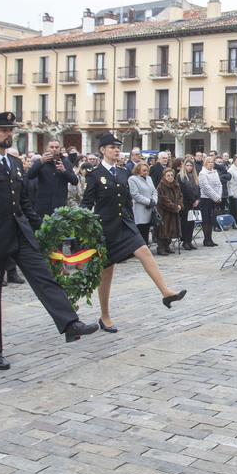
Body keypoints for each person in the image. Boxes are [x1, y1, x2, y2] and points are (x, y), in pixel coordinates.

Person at [0, 112, 98, 371]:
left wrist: (41, 227)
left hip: (19, 233)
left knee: (44, 276)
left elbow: (22, 204)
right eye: (2, 130)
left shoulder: (13, 163)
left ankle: (69, 323)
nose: (8, 134)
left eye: (10, 130)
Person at [84, 134, 185, 333]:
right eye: (112, 147)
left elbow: (127, 200)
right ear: (102, 150)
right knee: (106, 272)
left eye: (117, 147)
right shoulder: (94, 174)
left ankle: (165, 292)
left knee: (144, 251)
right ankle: (105, 316)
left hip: (125, 223)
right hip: (106, 227)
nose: (116, 150)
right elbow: (87, 203)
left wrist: (132, 220)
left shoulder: (123, 173)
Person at [128, 162, 159, 245]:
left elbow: (154, 191)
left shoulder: (149, 178)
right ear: (138, 170)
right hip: (140, 208)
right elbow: (135, 194)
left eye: (147, 170)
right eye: (143, 170)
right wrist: (148, 202)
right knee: (140, 229)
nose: (145, 172)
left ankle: (146, 246)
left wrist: (154, 201)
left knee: (147, 229)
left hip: (150, 208)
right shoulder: (132, 179)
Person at [154, 168, 182, 255]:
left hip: (173, 211)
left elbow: (180, 195)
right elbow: (163, 200)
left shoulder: (176, 185)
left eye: (171, 175)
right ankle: (161, 247)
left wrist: (179, 204)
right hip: (164, 212)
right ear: (164, 176)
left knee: (171, 230)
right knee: (163, 230)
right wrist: (174, 206)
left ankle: (167, 246)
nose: (170, 177)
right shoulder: (161, 186)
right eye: (168, 176)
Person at [198, 155, 223, 247]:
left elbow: (219, 185)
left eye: (212, 162)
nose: (210, 164)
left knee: (211, 219)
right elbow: (205, 187)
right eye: (208, 162)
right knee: (206, 219)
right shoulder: (202, 173)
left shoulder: (215, 172)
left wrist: (219, 196)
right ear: (205, 163)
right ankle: (206, 239)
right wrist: (215, 197)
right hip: (206, 199)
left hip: (215, 198)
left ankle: (210, 238)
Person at [177, 158, 200, 250]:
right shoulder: (180, 176)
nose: (189, 168)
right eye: (187, 166)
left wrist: (197, 199)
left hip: (193, 202)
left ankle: (190, 240)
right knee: (185, 223)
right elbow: (184, 190)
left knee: (191, 222)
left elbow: (198, 188)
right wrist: (193, 199)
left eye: (191, 166)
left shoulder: (194, 176)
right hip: (185, 202)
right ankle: (185, 241)